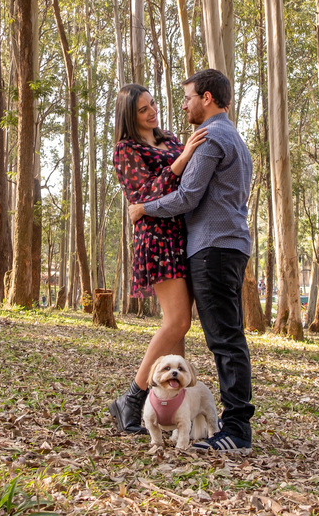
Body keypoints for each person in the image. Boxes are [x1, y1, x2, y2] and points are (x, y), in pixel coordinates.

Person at [130, 69, 254, 453]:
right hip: (228, 244)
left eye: (187, 98)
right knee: (227, 336)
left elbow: (187, 196)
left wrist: (142, 208)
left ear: (207, 99)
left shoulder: (212, 137)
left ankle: (235, 430)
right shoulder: (233, 136)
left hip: (213, 248)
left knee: (225, 339)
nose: (182, 105)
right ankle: (229, 426)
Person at [107, 84, 209, 436]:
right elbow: (145, 194)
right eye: (142, 110)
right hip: (157, 238)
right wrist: (181, 161)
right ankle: (132, 397)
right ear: (128, 117)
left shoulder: (169, 138)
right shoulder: (125, 150)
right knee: (177, 321)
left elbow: (191, 178)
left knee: (180, 329)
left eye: (153, 104)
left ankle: (172, 411)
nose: (152, 112)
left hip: (183, 234)